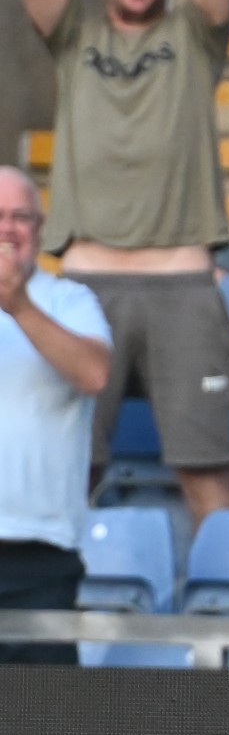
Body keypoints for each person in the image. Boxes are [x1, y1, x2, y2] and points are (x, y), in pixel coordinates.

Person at [8, 0, 229, 530]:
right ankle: (48, 629)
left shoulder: (197, 29)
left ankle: (227, 643)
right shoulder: (74, 31)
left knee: (205, 473)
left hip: (181, 284)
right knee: (70, 466)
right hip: (81, 282)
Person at [0, 167, 112, 643]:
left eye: (20, 217)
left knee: (39, 714)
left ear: (40, 230)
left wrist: (18, 304)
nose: (7, 229)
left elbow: (94, 373)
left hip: (40, 554)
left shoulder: (70, 299)